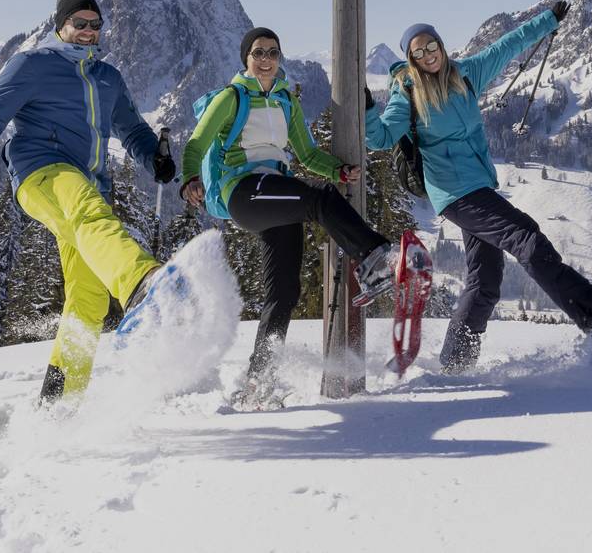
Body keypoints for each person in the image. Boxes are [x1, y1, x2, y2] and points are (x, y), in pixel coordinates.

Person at [0, 0, 177, 402]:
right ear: (61, 26)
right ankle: (143, 284)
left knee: (88, 300)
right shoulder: (33, 64)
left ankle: (58, 404)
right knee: (88, 208)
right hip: (40, 171)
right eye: (79, 24)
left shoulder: (107, 77)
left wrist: (154, 157)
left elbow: (131, 129)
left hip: (89, 183)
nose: (88, 32)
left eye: (95, 25)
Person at [179, 26, 419, 406]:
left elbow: (306, 155)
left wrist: (337, 171)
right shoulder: (231, 97)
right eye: (258, 52)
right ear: (246, 58)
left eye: (273, 52)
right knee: (319, 200)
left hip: (273, 190)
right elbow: (198, 140)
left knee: (284, 292)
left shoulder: (285, 101)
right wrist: (189, 177)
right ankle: (377, 257)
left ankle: (259, 383)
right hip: (243, 190)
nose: (266, 59)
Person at [365, 2, 592, 374]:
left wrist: (550, 19)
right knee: (526, 238)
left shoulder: (465, 74)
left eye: (432, 47)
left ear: (441, 46)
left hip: (478, 186)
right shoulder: (407, 92)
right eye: (419, 52)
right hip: (454, 194)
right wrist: (366, 108)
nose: (429, 55)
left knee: (485, 281)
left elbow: (507, 47)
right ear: (410, 59)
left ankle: (455, 363)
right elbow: (381, 137)